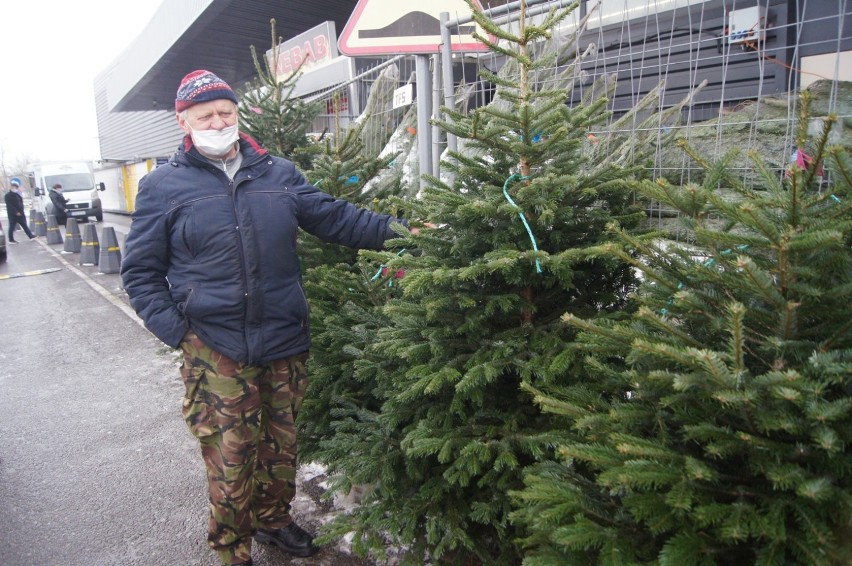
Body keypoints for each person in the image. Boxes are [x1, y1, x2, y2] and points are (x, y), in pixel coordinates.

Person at [120, 70, 414, 566]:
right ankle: (232, 547)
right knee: (231, 456)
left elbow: (339, 218)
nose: (218, 121)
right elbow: (140, 274)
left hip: (283, 339)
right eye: (206, 114)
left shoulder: (277, 174)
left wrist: (406, 232)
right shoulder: (162, 187)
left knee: (280, 447)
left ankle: (274, 521)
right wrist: (180, 333)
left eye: (226, 112)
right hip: (215, 347)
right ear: (184, 121)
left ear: (238, 115)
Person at [4, 177, 36, 242]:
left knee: (24, 225)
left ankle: (30, 236)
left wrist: (21, 211)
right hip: (13, 215)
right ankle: (11, 239)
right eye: (13, 188)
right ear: (11, 188)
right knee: (12, 227)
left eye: (16, 188)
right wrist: (16, 212)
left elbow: (20, 203)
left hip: (20, 213)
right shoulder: (8, 195)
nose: (14, 189)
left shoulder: (17, 195)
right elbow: (10, 206)